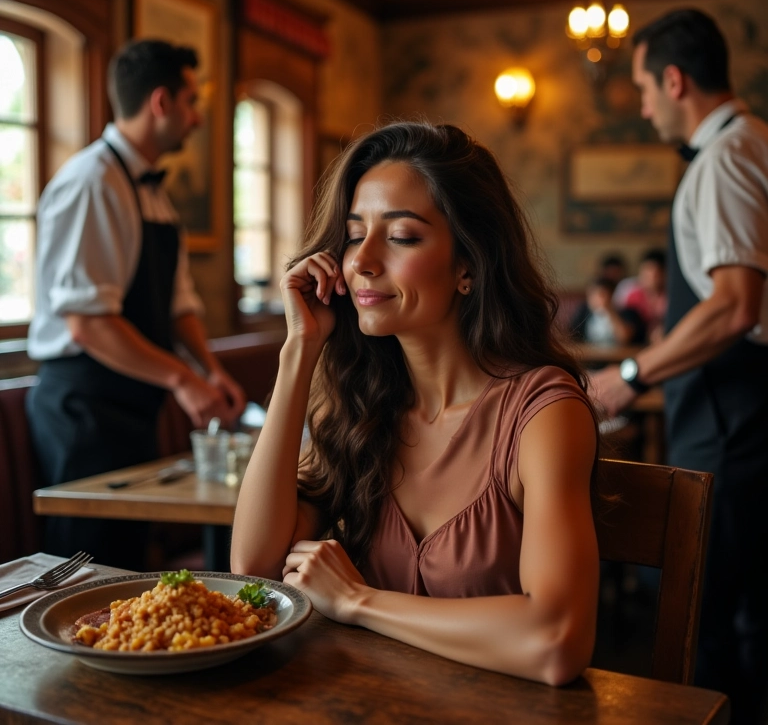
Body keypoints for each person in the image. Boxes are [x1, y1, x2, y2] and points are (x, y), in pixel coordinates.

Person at [231, 121, 599, 685]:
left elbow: (556, 641)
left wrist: (358, 600)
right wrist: (298, 351)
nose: (362, 262)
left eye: (401, 237)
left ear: (468, 266)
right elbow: (254, 567)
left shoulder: (544, 413)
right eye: (354, 235)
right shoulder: (361, 406)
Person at [589, 9, 768, 724]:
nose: (642, 105)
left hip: (732, 419)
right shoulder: (755, 143)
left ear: (674, 79)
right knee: (751, 614)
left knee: (707, 624)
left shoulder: (723, 159)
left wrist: (627, 377)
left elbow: (734, 307)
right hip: (748, 415)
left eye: (642, 88)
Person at [26, 39, 246, 570]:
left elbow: (178, 304)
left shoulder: (153, 193)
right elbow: (86, 323)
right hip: (84, 406)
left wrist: (210, 371)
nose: (196, 120)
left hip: (132, 405)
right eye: (191, 103)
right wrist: (182, 381)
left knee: (126, 565)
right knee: (85, 569)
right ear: (160, 103)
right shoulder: (91, 183)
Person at [569, 277, 645, 347]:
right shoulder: (583, 312)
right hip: (590, 357)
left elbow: (624, 338)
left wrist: (609, 310)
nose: (595, 299)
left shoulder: (628, 313)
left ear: (612, 295)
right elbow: (572, 336)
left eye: (601, 295)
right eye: (591, 295)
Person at [614, 248, 667, 343]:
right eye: (647, 271)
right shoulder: (630, 294)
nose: (651, 277)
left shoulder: (670, 297)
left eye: (656, 273)